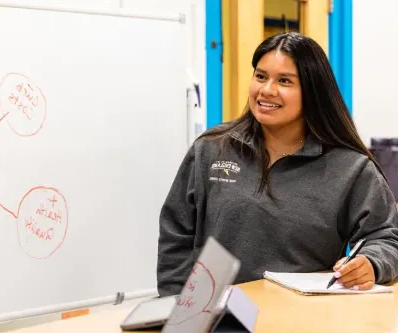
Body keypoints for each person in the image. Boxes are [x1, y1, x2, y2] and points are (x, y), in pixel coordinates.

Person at [156, 32, 398, 297]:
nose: (266, 90)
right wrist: (175, 306)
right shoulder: (212, 148)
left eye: (284, 81)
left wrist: (372, 263)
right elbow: (176, 231)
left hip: (299, 319)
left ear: (313, 92)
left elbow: (387, 237)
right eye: (260, 76)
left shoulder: (351, 168)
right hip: (213, 317)